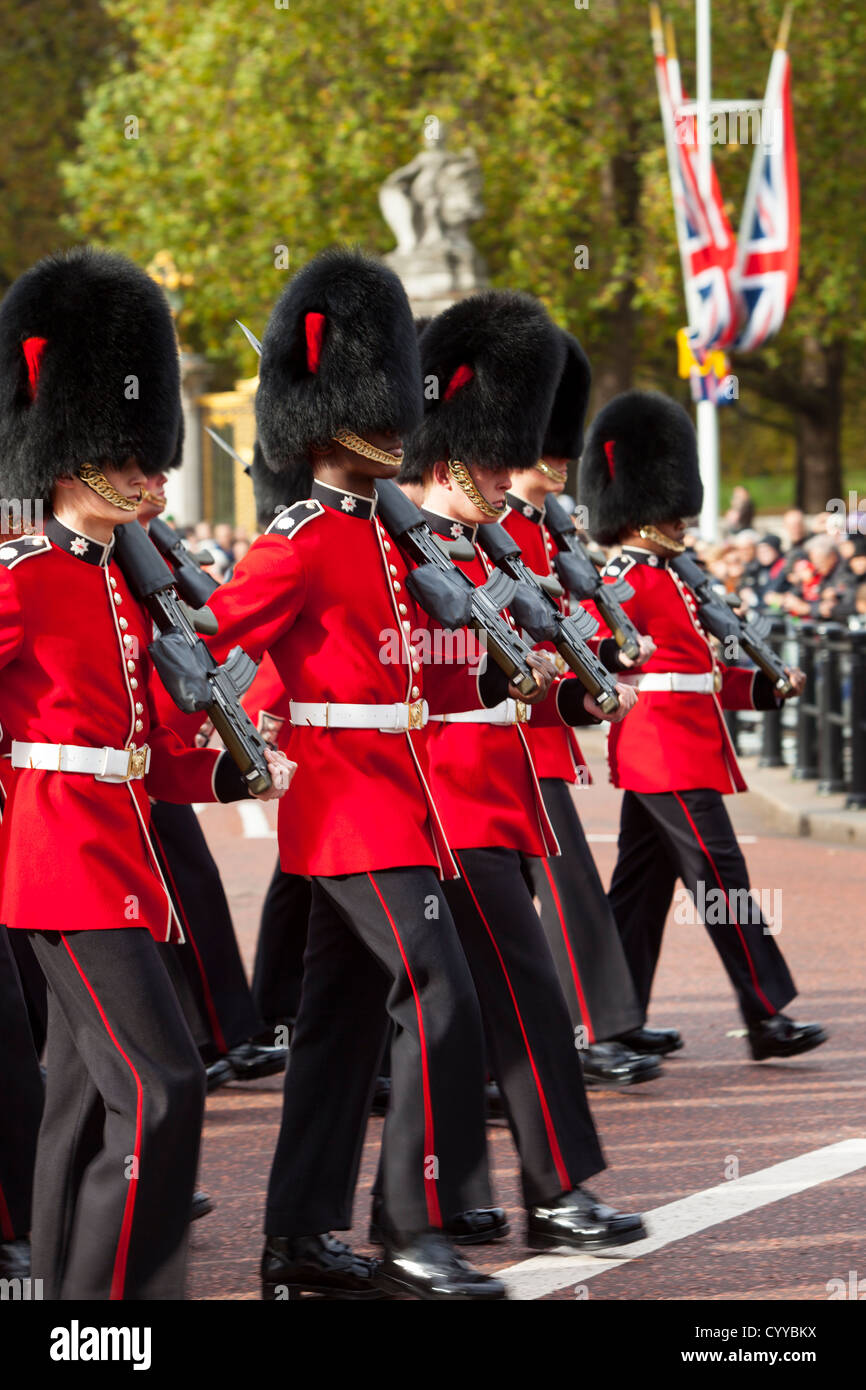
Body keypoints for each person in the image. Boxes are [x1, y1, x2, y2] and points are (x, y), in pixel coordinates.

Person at [159, 247, 520, 1300]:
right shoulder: (303, 539)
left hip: (403, 800)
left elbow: (419, 676)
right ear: (329, 414)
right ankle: (410, 1228)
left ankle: (298, 1240)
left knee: (336, 1026)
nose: (400, 420)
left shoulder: (395, 538)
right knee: (439, 996)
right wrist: (220, 748)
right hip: (347, 809)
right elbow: (209, 643)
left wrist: (501, 671)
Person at [0, 247, 293, 1300]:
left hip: (119, 857)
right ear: (69, 456)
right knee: (162, 1084)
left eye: (152, 459)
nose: (152, 478)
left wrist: (227, 776)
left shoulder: (123, 588)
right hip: (59, 865)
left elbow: (149, 746)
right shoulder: (26, 579)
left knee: (81, 1105)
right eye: (129, 458)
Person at [393, 291, 646, 1252]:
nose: (515, 472)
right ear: (453, 448)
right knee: (520, 1002)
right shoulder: (401, 547)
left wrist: (579, 696)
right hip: (439, 803)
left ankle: (458, 1192)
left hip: (490, 794)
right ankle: (554, 1190)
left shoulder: (478, 539)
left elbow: (517, 671)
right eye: (498, 454)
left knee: (466, 1010)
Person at [578, 390, 828, 1062]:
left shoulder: (675, 576)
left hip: (681, 746)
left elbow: (700, 678)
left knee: (638, 889)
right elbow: (609, 663)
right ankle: (767, 1015)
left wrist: (768, 688)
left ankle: (611, 1019)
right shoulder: (626, 578)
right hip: (664, 753)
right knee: (723, 881)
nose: (683, 515)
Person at [501, 328, 662, 1081]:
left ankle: (599, 1025)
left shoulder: (541, 527)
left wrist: (600, 661)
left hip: (541, 734)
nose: (561, 462)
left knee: (563, 892)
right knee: (566, 889)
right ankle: (591, 1031)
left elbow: (570, 620)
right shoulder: (498, 529)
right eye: (550, 448)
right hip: (509, 736)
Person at [137, 470, 289, 1089]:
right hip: (117, 758)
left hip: (155, 752)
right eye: (141, 466)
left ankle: (221, 1031)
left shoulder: (153, 545)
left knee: (188, 884)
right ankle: (204, 1036)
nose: (158, 477)